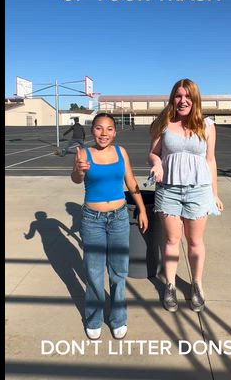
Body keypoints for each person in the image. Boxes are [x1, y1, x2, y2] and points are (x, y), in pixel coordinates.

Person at [148, 79, 223, 313]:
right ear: (173, 98)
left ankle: (196, 284)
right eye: (178, 96)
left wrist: (214, 193)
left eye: (187, 96)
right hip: (169, 189)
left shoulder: (207, 126)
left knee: (195, 241)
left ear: (195, 99)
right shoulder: (163, 123)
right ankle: (170, 285)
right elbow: (153, 153)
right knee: (171, 241)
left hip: (199, 190)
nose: (183, 101)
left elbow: (210, 160)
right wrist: (157, 164)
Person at [72, 113, 148, 341]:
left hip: (119, 218)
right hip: (91, 219)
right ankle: (94, 319)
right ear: (92, 130)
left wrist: (142, 209)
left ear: (115, 132)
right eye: (98, 128)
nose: (103, 133)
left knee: (118, 272)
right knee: (94, 272)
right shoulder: (83, 153)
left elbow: (131, 181)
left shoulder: (120, 152)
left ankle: (118, 319)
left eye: (109, 129)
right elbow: (76, 179)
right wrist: (79, 170)